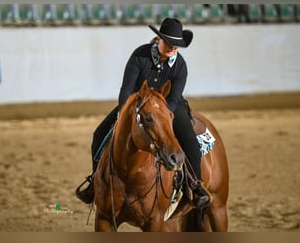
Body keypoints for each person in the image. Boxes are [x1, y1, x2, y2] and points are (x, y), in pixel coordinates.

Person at [76, 18, 210, 209]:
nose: (173, 48)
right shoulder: (140, 56)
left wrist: (160, 116)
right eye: (170, 43)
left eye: (177, 45)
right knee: (99, 135)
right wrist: (124, 113)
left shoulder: (181, 66)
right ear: (159, 39)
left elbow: (174, 98)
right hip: (136, 104)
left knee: (190, 143)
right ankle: (95, 180)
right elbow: (126, 90)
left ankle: (196, 185)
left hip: (169, 106)